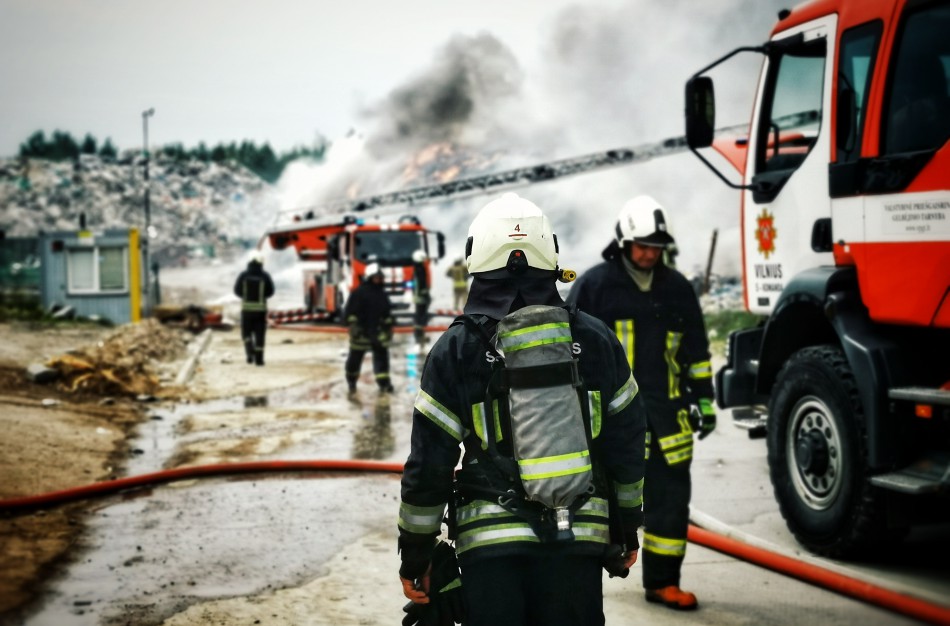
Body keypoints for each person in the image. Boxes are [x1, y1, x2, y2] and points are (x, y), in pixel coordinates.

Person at [398, 192, 647, 626]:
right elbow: (627, 443)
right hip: (580, 540)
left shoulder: (457, 349)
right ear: (550, 254)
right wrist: (627, 527)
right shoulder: (594, 337)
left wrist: (416, 555)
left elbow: (428, 466)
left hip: (491, 551)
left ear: (476, 255)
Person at [566, 194, 716, 611]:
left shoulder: (678, 288)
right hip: (612, 423)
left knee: (670, 504)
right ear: (623, 243)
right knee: (598, 507)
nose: (650, 253)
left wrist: (704, 400)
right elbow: (572, 353)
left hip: (669, 419)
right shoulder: (595, 287)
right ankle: (582, 585)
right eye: (642, 245)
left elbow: (696, 350)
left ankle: (664, 582)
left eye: (656, 246)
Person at [344, 262, 395, 395]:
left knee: (382, 360)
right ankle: (351, 383)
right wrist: (354, 327)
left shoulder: (382, 294)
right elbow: (349, 314)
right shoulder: (358, 293)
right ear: (369, 277)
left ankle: (384, 385)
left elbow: (387, 314)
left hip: (378, 334)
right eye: (376, 277)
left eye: (380, 277)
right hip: (361, 334)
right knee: (354, 360)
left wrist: (388, 327)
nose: (379, 280)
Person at [233, 250, 275, 366]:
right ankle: (259, 360)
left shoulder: (243, 275)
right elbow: (271, 291)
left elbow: (236, 290)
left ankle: (249, 352)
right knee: (260, 334)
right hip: (260, 311)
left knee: (246, 333)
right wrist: (262, 297)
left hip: (246, 311)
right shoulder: (265, 276)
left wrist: (245, 296)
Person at [410, 249, 432, 348]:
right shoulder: (420, 270)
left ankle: (420, 335)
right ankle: (419, 337)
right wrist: (425, 294)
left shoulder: (416, 269)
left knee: (420, 315)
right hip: (421, 297)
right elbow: (421, 285)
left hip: (418, 296)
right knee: (421, 316)